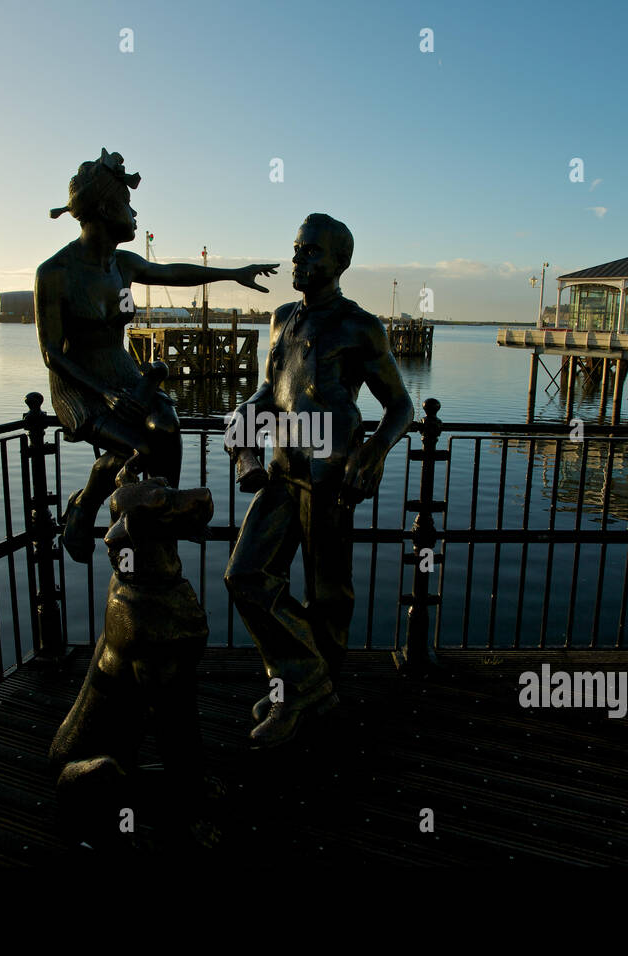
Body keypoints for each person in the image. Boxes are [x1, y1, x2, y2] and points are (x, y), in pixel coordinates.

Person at [224, 213, 414, 748]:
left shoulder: (359, 325)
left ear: (339, 263)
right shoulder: (281, 318)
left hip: (330, 471)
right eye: (296, 248)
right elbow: (272, 392)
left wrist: (375, 451)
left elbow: (400, 405)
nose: (298, 259)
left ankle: (306, 692)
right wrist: (245, 412)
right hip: (282, 467)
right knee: (246, 575)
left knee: (327, 594)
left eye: (310, 251)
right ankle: (305, 682)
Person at [36, 149, 277, 561]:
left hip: (123, 372)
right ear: (104, 209)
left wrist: (231, 274)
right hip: (81, 385)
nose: (134, 215)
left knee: (167, 423)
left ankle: (165, 510)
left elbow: (173, 273)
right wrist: (106, 395)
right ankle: (87, 505)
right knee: (140, 448)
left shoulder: (123, 265)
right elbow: (51, 355)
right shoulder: (55, 273)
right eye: (127, 206)